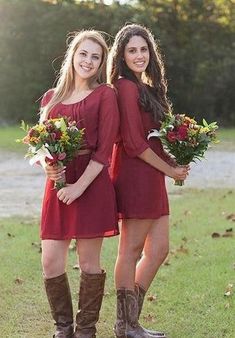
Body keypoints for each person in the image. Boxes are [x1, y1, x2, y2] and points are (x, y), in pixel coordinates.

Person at [108, 24, 189, 338]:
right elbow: (132, 142)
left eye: (143, 49)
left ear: (150, 52)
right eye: (132, 50)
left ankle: (131, 322)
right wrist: (169, 171)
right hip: (135, 174)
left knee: (159, 250)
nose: (139, 55)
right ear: (122, 55)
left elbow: (152, 139)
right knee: (130, 249)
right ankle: (124, 325)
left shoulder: (145, 87)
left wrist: (175, 162)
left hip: (152, 173)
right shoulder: (125, 86)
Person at [39, 30, 119, 338]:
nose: (88, 61)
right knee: (50, 260)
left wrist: (79, 187)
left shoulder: (105, 95)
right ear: (73, 54)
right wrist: (49, 168)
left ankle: (86, 331)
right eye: (83, 53)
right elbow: (43, 145)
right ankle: (64, 329)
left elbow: (105, 150)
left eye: (95, 57)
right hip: (58, 186)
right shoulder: (51, 98)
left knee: (88, 263)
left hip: (91, 182)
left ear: (101, 64)